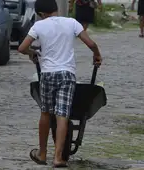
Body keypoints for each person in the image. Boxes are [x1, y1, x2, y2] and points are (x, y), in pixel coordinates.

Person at [18, 0, 102, 167]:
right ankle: (58, 158)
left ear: (41, 13)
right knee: (62, 114)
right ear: (55, 9)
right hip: (67, 74)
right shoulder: (71, 23)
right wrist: (97, 55)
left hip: (48, 74)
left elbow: (21, 48)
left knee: (46, 113)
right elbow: (91, 43)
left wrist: (32, 52)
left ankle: (42, 154)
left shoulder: (38, 26)